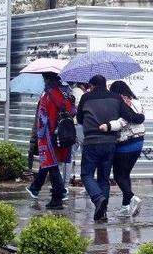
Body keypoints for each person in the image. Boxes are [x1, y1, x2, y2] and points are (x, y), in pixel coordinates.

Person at [76, 75, 145, 222]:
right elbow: (129, 115)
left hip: (91, 142)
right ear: (105, 85)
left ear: (92, 85)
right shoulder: (116, 97)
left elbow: (80, 119)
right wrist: (140, 118)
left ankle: (98, 198)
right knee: (104, 178)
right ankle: (102, 213)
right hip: (110, 143)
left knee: (87, 175)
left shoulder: (86, 97)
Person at [26, 73, 75, 209]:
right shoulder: (66, 93)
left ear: (46, 79)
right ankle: (38, 188)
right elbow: (73, 111)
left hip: (49, 135)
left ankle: (58, 198)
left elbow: (42, 118)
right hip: (65, 133)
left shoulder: (46, 95)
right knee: (51, 165)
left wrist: (37, 137)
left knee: (51, 166)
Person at [101, 80, 145, 217]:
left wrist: (106, 126)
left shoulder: (121, 103)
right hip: (138, 142)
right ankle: (126, 207)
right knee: (125, 174)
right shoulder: (137, 102)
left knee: (119, 175)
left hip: (125, 144)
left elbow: (121, 122)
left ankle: (132, 197)